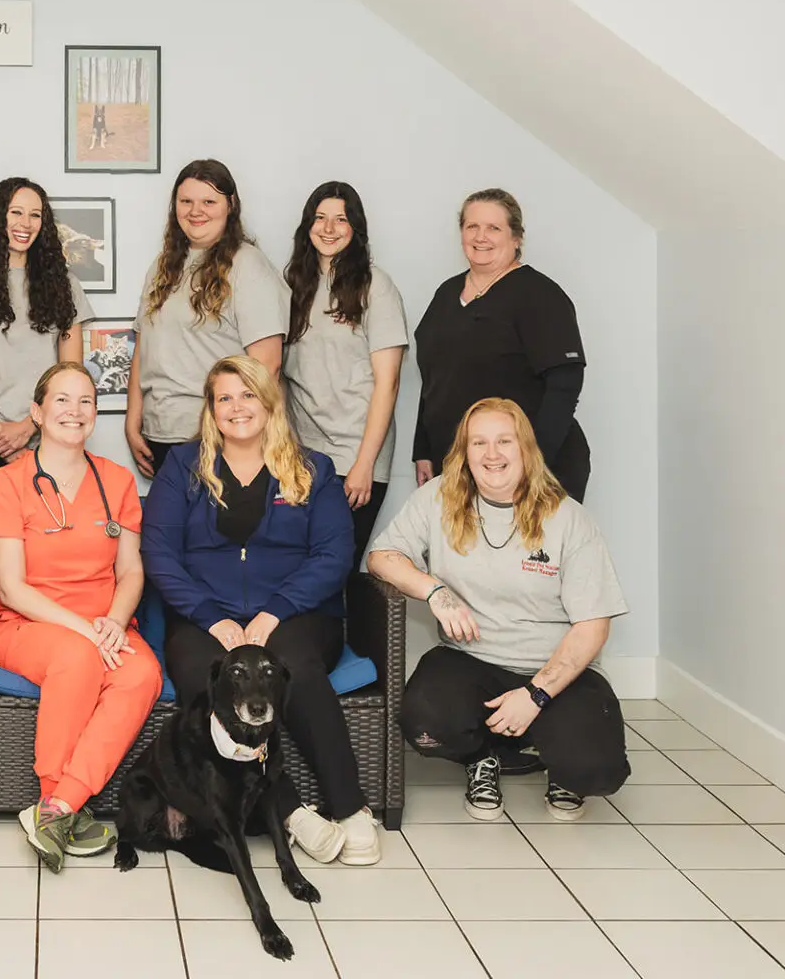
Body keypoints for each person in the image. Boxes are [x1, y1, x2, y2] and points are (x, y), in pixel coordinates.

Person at [141, 356, 379, 865]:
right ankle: (292, 813)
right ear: (210, 409)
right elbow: (160, 555)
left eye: (248, 395)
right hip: (205, 616)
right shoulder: (181, 468)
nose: (237, 407)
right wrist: (212, 617)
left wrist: (272, 614)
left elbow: (334, 556)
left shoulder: (314, 469)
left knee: (297, 671)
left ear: (270, 403)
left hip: (298, 614)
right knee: (205, 680)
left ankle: (351, 807)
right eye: (224, 397)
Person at [369, 398, 629, 822]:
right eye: (479, 443)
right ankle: (481, 756)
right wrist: (433, 590)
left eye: (504, 441)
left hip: (552, 668)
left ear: (526, 448)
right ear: (464, 452)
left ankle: (560, 765)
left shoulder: (568, 518)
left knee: (595, 769)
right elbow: (382, 555)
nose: (492, 454)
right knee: (423, 723)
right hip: (470, 658)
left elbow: (593, 626)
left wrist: (536, 693)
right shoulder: (437, 498)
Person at [0, 363, 162, 872]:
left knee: (143, 672)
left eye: (85, 401)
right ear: (37, 412)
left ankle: (59, 806)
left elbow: (131, 572)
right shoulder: (8, 482)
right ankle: (55, 798)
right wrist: (88, 630)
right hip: (23, 625)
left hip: (103, 625)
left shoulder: (118, 481)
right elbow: (12, 588)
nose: (74, 411)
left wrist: (115, 622)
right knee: (79, 657)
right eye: (61, 400)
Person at [413, 188, 591, 501]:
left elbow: (565, 384)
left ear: (516, 237)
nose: (481, 237)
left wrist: (533, 462)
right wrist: (424, 449)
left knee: (525, 552)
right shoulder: (446, 294)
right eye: (472, 227)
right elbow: (435, 379)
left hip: (531, 471)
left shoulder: (539, 295)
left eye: (494, 228)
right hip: (460, 469)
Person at [127, 159, 289, 478]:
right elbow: (143, 347)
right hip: (161, 435)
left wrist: (231, 433)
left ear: (230, 206)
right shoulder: (162, 267)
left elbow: (267, 366)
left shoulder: (248, 266)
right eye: (186, 201)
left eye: (209, 201)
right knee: (170, 529)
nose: (195, 210)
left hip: (218, 438)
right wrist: (133, 419)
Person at [282, 182, 408, 567]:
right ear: (308, 225)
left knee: (337, 568)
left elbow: (389, 382)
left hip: (355, 455)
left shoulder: (375, 286)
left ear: (356, 228)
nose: (329, 228)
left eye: (341, 219)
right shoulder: (291, 286)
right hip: (302, 457)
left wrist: (364, 464)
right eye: (320, 218)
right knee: (296, 567)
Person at [0, 177, 95, 486]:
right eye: (16, 212)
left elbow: (71, 374)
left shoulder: (65, 286)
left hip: (49, 442)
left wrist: (28, 428)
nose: (26, 223)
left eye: (35, 215)